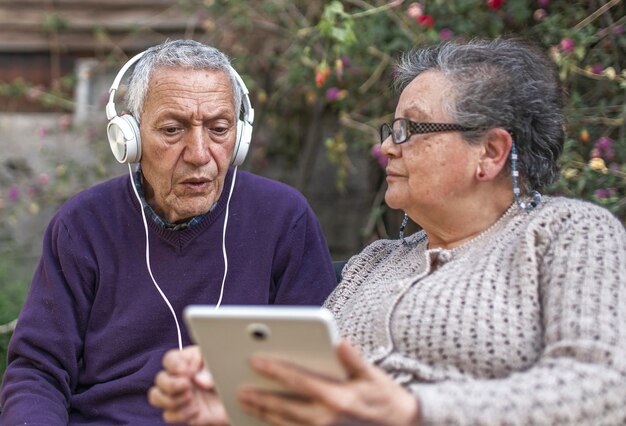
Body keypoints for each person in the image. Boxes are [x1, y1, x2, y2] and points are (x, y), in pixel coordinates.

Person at [148, 37, 626, 425]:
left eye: (409, 130)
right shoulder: (374, 265)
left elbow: (605, 389)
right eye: (390, 130)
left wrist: (415, 410)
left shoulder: (568, 235)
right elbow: (325, 401)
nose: (387, 150)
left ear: (491, 152)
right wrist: (238, 405)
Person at [0, 39, 336, 424]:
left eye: (219, 128)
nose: (198, 153)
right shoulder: (83, 226)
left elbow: (312, 379)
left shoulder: (283, 219)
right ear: (131, 137)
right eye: (173, 129)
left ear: (240, 138)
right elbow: (38, 371)